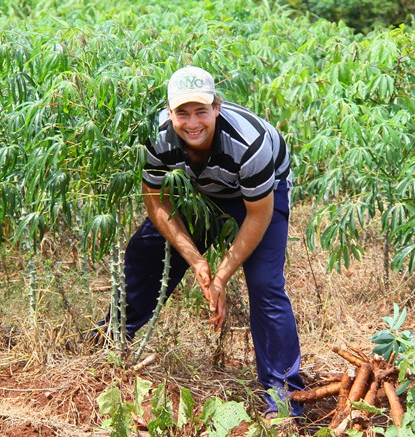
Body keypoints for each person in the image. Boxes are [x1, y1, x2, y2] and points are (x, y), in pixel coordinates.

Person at [108, 65, 304, 418]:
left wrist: (221, 275)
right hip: (196, 188)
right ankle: (109, 344)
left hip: (260, 194)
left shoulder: (251, 143)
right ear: (169, 113)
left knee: (265, 284)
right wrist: (197, 260)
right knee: (145, 252)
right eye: (182, 112)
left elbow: (257, 216)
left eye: (201, 110)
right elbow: (157, 200)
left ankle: (283, 397)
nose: (192, 122)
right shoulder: (156, 136)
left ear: (217, 107)